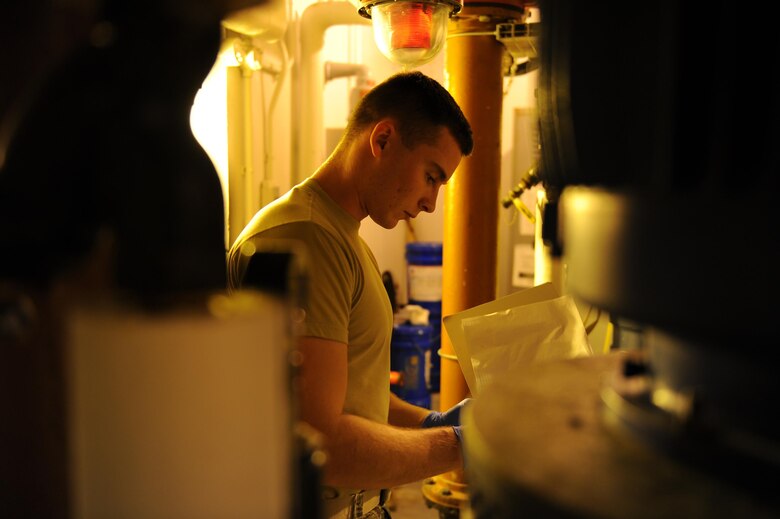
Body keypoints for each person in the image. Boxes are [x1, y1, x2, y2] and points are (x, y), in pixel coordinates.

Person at [227, 70, 473, 518]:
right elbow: (320, 440)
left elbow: (356, 396)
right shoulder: (308, 238)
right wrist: (457, 446)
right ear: (383, 139)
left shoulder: (343, 239)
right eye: (431, 177)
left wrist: (430, 423)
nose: (431, 202)